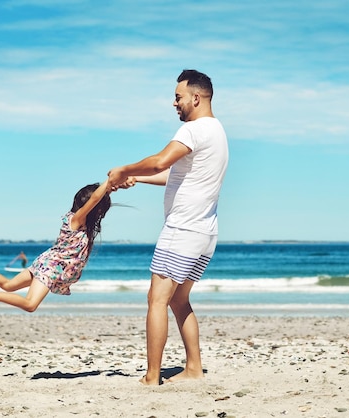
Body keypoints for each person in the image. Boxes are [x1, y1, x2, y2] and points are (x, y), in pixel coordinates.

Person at [108, 69, 229, 385]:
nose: (174, 103)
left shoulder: (193, 130)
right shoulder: (217, 132)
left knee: (157, 300)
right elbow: (174, 175)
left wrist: (124, 168)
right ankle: (193, 368)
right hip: (205, 233)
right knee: (178, 300)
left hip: (182, 231)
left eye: (178, 97)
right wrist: (138, 178)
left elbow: (161, 161)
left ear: (195, 97)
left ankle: (151, 377)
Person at [0, 180, 112, 314]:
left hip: (47, 262)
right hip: (51, 268)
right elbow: (95, 198)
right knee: (30, 304)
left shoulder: (76, 220)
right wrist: (110, 180)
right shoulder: (77, 219)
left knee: (9, 285)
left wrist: (114, 185)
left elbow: (97, 198)